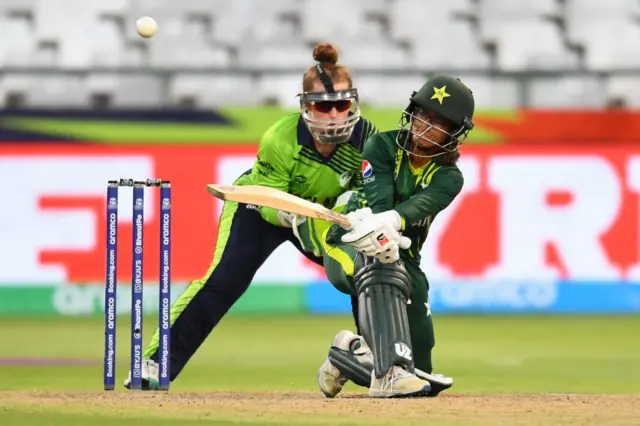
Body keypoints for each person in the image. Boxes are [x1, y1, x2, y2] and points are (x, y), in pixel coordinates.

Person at [124, 43, 378, 389]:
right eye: (323, 106)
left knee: (365, 267)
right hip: (261, 208)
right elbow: (271, 202)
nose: (334, 115)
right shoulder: (280, 139)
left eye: (341, 105)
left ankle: (379, 363)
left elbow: (372, 192)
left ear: (354, 103)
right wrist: (293, 217)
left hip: (321, 214)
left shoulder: (367, 138)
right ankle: (154, 364)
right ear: (306, 108)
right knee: (223, 282)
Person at [305, 74, 476, 398]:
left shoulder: (449, 177)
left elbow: (419, 205)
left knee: (419, 376)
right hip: (348, 240)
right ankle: (387, 374)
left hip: (402, 255)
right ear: (411, 111)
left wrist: (391, 223)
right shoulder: (381, 145)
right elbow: (380, 204)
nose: (424, 125)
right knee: (380, 261)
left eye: (438, 122)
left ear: (454, 133)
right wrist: (384, 225)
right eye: (423, 114)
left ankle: (349, 354)